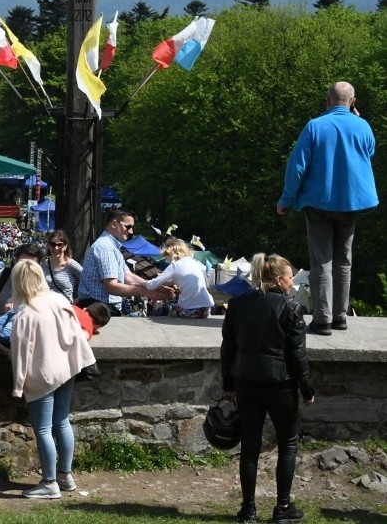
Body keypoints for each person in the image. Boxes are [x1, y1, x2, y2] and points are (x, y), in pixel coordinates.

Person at [277, 81, 378, 336]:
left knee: (322, 260)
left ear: (327, 100)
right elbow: (369, 152)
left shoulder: (315, 127)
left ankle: (322, 320)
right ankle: (340, 316)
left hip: (320, 202)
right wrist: (358, 120)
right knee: (344, 261)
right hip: (351, 202)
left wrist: (286, 200)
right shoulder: (363, 126)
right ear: (353, 102)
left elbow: (296, 167)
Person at [221, 253, 315, 524]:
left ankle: (248, 509)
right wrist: (306, 388)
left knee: (250, 446)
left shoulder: (238, 305)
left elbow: (228, 348)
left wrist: (228, 384)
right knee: (288, 444)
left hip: (246, 382)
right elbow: (298, 355)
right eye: (289, 278)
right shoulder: (291, 308)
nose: (292, 283)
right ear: (278, 280)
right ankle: (282, 507)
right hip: (280, 384)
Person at [9, 260, 96, 500]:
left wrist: (18, 387)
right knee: (62, 422)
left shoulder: (24, 315)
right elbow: (75, 332)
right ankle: (65, 475)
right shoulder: (59, 300)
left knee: (44, 429)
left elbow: (20, 355)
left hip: (42, 376)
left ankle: (49, 483)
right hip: (66, 369)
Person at [76, 208, 172, 316]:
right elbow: (112, 286)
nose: (131, 231)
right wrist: (146, 292)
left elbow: (128, 276)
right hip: (98, 309)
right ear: (113, 224)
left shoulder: (111, 246)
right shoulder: (105, 248)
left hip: (101, 308)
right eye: (128, 226)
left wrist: (151, 285)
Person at [145, 238, 214, 318]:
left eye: (166, 256)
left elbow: (151, 285)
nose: (166, 260)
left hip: (190, 309)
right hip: (206, 308)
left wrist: (142, 282)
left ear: (169, 253)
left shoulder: (175, 265)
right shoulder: (193, 262)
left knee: (170, 309)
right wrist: (163, 282)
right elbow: (181, 279)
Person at [0, 243, 44, 317]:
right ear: (15, 261)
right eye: (22, 263)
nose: (25, 268)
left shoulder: (41, 285)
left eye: (31, 265)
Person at [43, 230, 83, 303]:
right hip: (47, 308)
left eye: (59, 245)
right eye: (53, 244)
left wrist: (77, 300)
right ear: (49, 246)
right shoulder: (43, 265)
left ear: (65, 246)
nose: (56, 248)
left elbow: (88, 280)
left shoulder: (71, 264)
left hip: (65, 309)